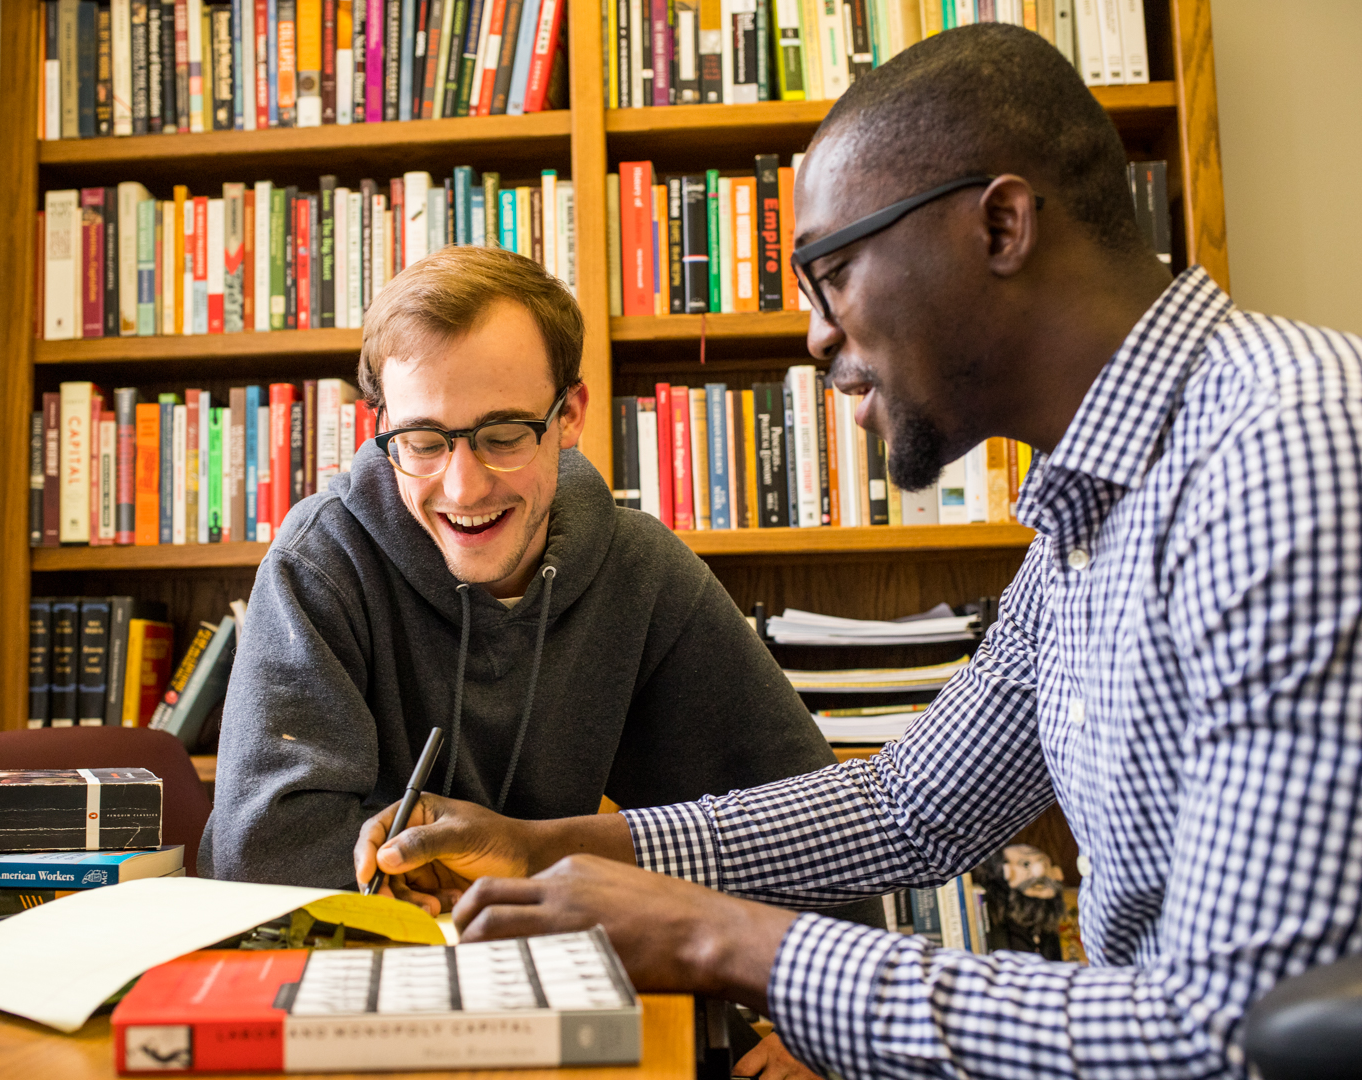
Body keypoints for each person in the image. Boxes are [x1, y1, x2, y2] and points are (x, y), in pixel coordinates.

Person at [351, 24, 1362, 1080]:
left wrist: (717, 939)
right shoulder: (1094, 505)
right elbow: (911, 806)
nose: (817, 335)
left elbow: (1238, 1038)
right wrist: (550, 845)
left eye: (832, 272)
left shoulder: (1283, 453)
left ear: (1003, 225)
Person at [203, 244, 877, 935]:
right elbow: (262, 860)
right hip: (346, 985)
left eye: (503, 436)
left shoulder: (640, 571)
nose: (463, 488)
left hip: (551, 971)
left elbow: (807, 823)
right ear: (383, 429)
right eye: (424, 441)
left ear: (570, 415)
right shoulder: (321, 562)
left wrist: (811, 1022)